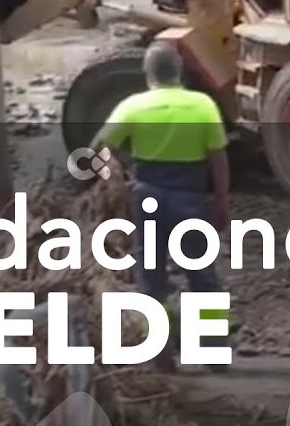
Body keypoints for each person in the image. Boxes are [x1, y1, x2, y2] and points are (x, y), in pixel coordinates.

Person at [91, 42, 232, 374]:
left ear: (147, 74)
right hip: (190, 199)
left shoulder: (134, 106)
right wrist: (222, 201)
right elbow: (218, 159)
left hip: (148, 197)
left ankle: (162, 356)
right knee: (203, 278)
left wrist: (115, 178)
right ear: (180, 71)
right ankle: (213, 353)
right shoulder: (203, 105)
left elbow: (98, 148)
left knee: (152, 278)